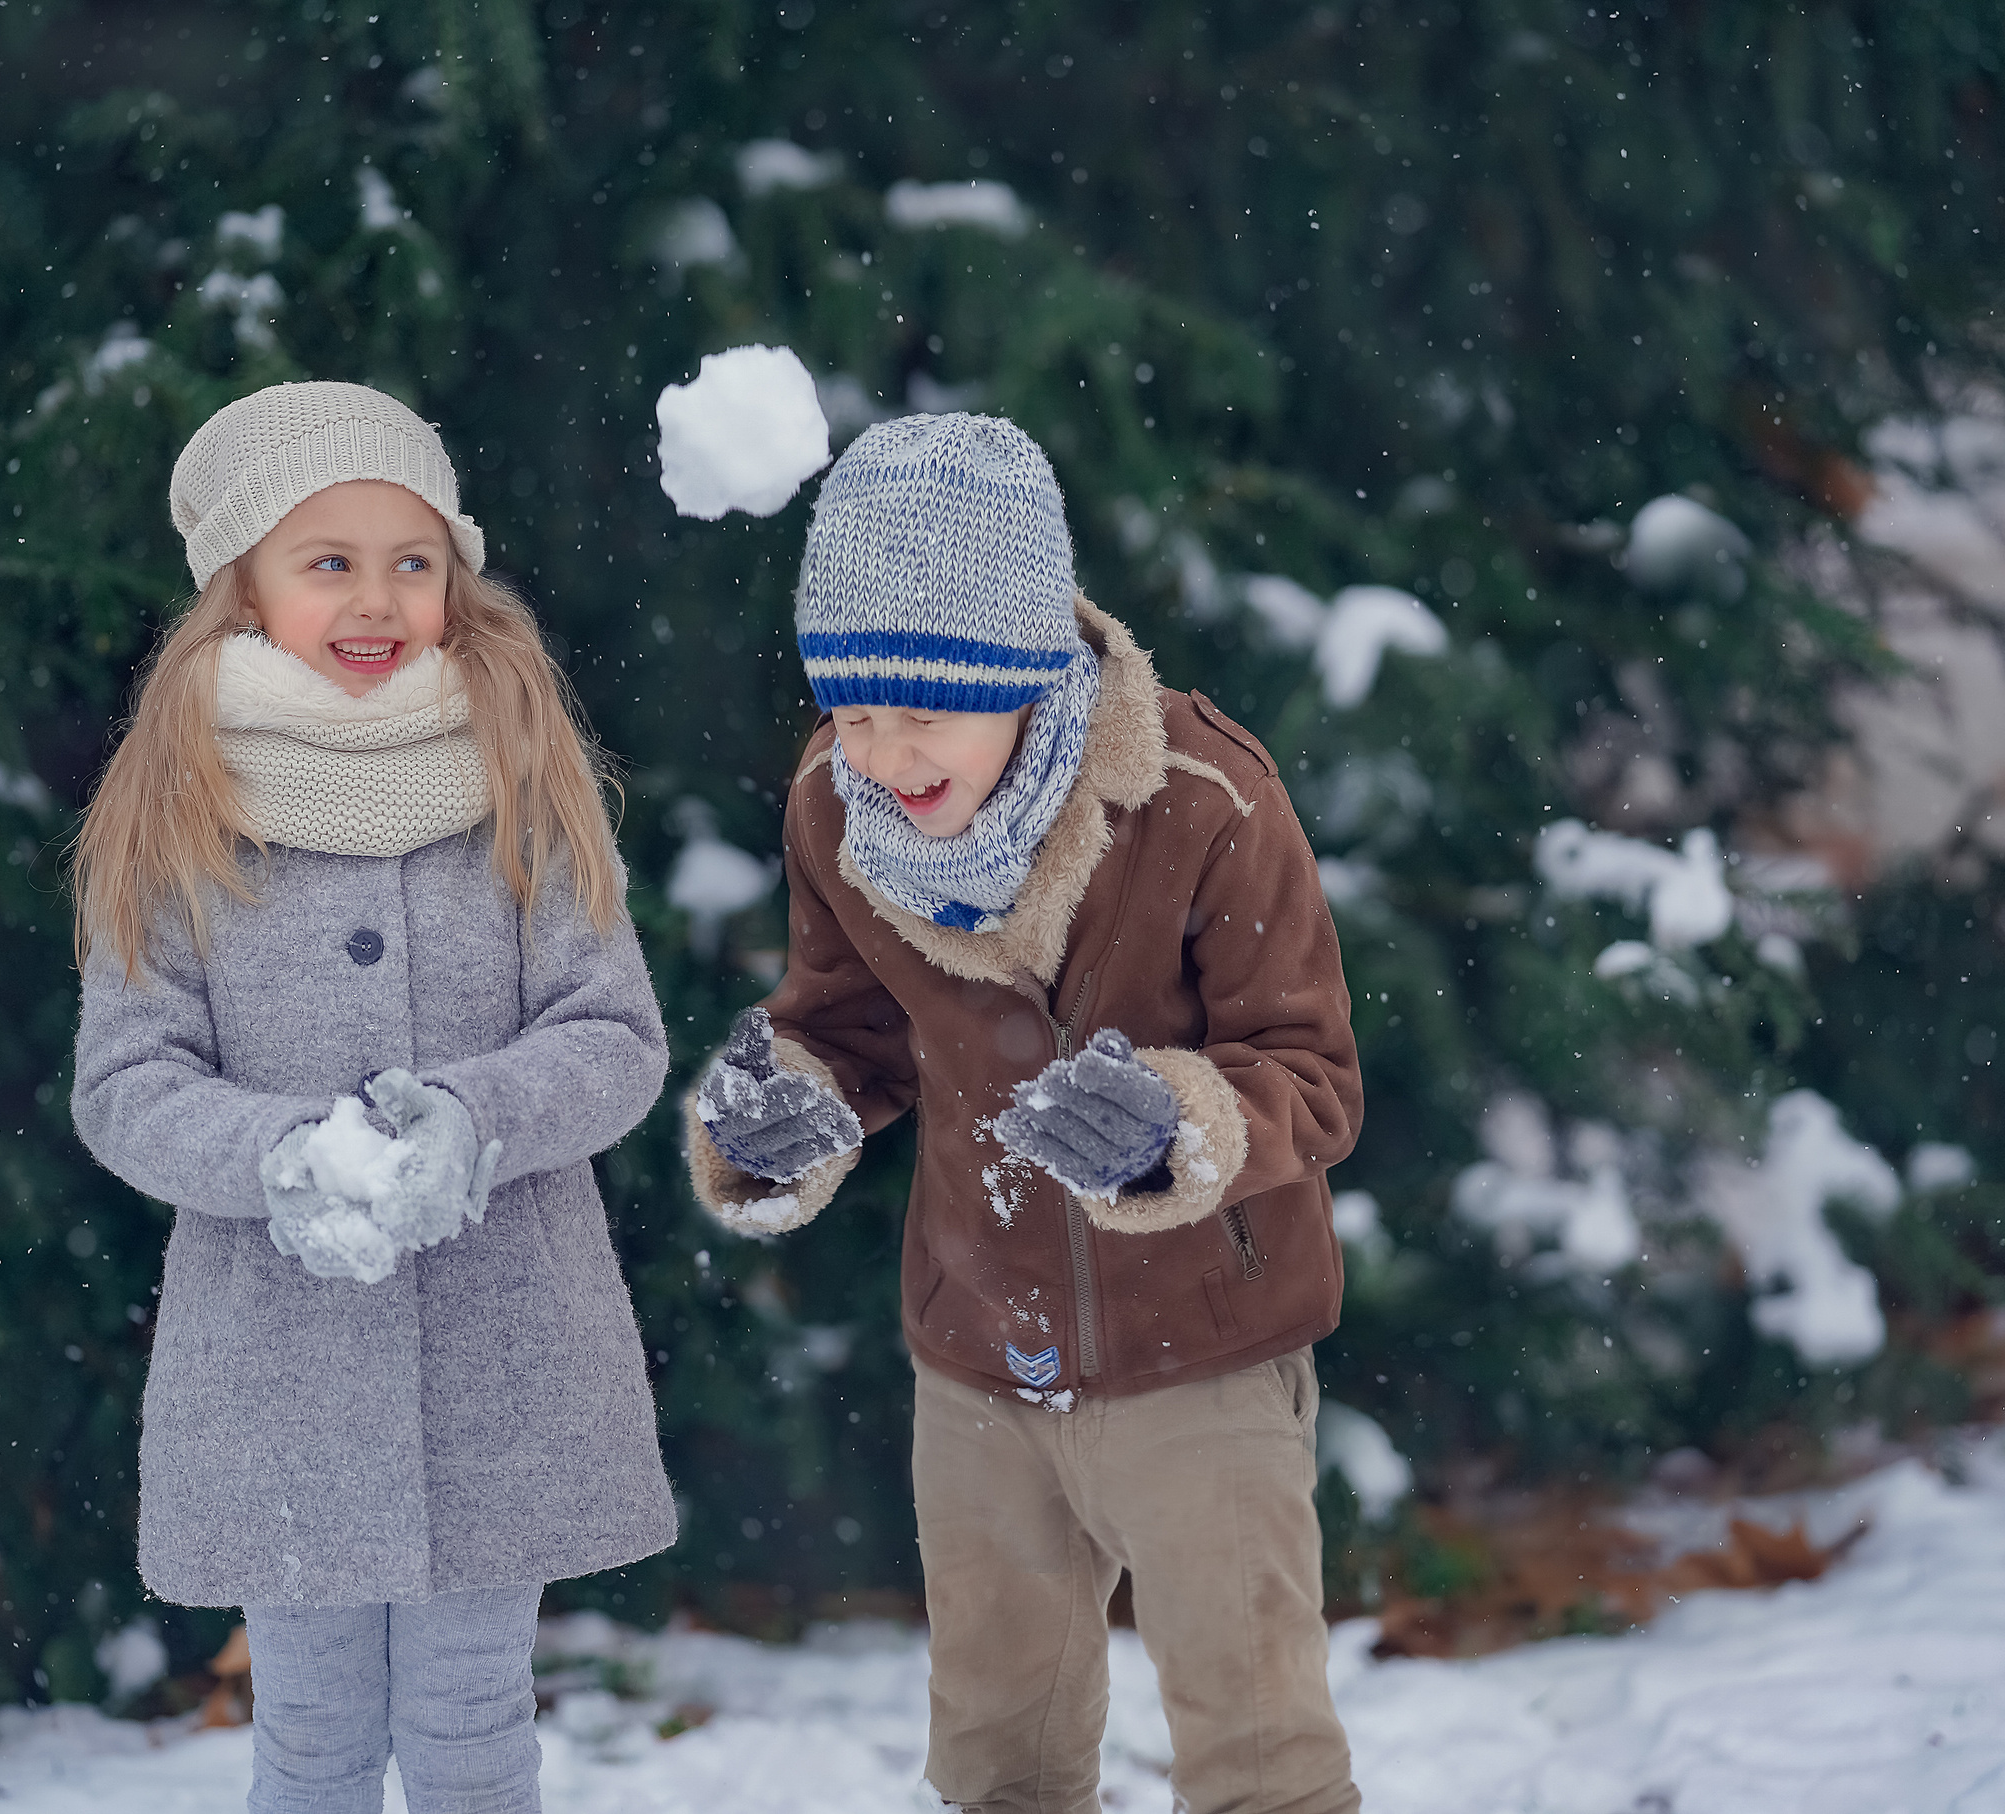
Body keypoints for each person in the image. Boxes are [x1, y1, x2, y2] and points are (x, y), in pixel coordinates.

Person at [687, 412, 1364, 1814]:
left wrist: (1178, 1124)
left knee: (1257, 1752)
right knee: (998, 1757)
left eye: (919, 710)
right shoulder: (837, 806)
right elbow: (848, 1025)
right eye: (851, 706)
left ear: (1023, 678)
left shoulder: (1202, 800)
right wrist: (785, 1113)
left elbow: (1311, 1070)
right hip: (980, 1348)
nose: (879, 752)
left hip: (1205, 1352)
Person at [69, 381, 672, 1814]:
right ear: (243, 589)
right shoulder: (173, 812)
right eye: (326, 560)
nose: (377, 596)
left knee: (473, 1725)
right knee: (317, 1739)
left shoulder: (524, 775)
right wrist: (280, 1154)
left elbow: (615, 1034)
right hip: (278, 1371)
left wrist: (479, 1114)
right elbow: (128, 1082)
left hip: (502, 1354)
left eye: (413, 560)